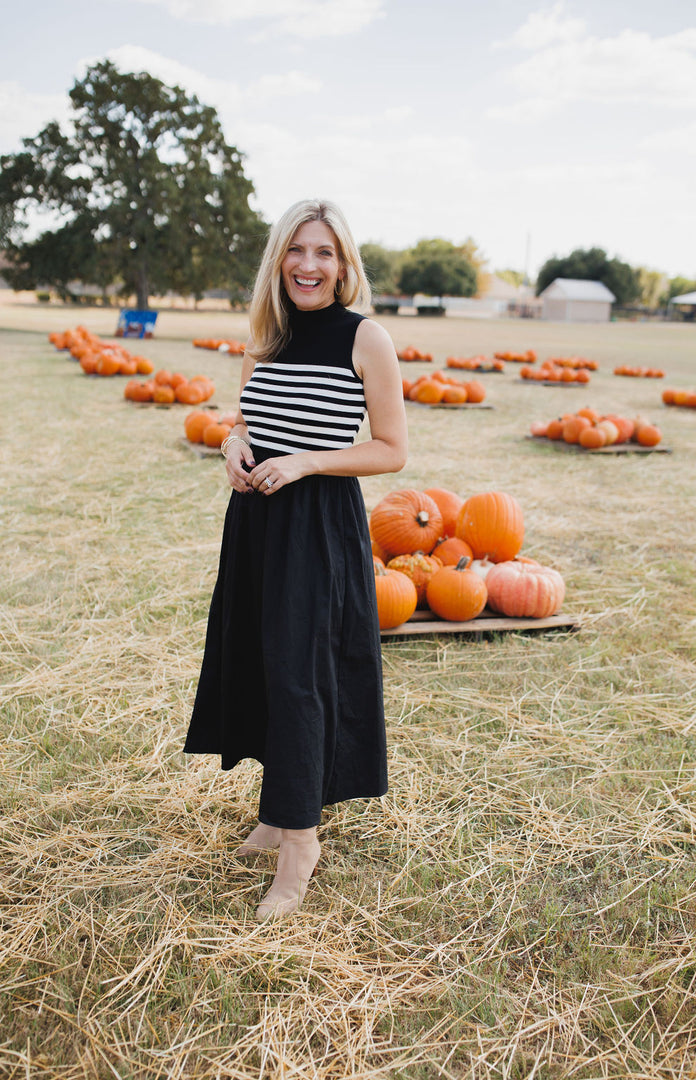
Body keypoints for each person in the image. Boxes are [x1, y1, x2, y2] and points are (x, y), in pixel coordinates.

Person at [183, 198, 407, 921]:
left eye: (325, 253)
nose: (309, 266)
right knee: (256, 662)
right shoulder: (266, 335)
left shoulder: (365, 338)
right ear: (279, 259)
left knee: (301, 674)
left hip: (316, 525)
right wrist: (231, 444)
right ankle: (278, 814)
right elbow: (248, 418)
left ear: (344, 266)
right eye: (297, 252)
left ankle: (300, 841)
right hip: (255, 520)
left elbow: (392, 449)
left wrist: (308, 463)